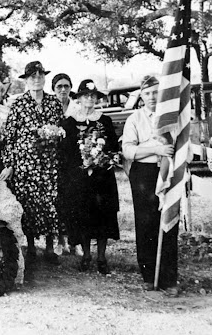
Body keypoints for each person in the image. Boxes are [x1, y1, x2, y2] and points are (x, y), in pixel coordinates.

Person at [0, 61, 63, 265]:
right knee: (29, 204)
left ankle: (50, 247)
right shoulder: (18, 104)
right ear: (26, 80)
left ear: (44, 78)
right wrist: (9, 164)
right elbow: (9, 137)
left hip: (50, 163)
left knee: (51, 202)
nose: (36, 80)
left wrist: (56, 135)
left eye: (40, 76)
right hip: (25, 164)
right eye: (32, 77)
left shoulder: (54, 103)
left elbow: (62, 130)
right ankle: (32, 247)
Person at [122, 75, 177, 294]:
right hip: (144, 173)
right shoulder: (134, 118)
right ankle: (148, 275)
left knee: (168, 221)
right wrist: (155, 150)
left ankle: (169, 278)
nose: (152, 97)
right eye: (147, 93)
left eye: (156, 92)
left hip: (168, 171)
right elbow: (128, 150)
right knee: (146, 223)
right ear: (141, 96)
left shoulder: (172, 118)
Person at [59, 79, 120, 275]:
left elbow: (113, 147)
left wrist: (103, 158)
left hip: (102, 177)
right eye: (86, 96)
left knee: (103, 215)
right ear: (79, 98)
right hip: (79, 177)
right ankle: (86, 255)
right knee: (83, 215)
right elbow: (65, 151)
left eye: (93, 96)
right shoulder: (69, 121)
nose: (90, 99)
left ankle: (101, 257)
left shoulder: (104, 120)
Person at [52, 73, 79, 255]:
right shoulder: (50, 107)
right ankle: (59, 240)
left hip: (73, 160)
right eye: (59, 86)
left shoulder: (76, 108)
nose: (63, 90)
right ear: (54, 89)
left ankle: (74, 241)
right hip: (54, 160)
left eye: (66, 86)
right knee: (57, 200)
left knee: (73, 201)